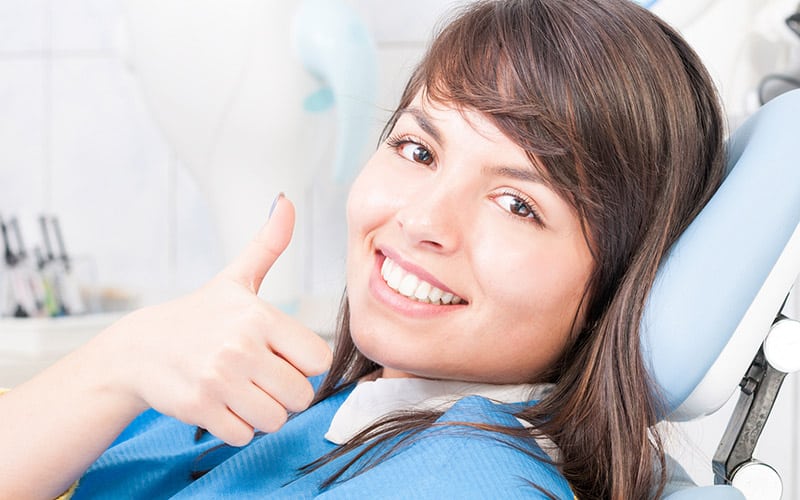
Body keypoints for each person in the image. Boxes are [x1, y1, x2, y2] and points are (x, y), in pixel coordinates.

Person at [0, 0, 726, 498]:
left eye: (517, 203)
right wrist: (121, 361)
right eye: (417, 148)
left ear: (621, 283)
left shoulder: (468, 482)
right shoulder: (326, 400)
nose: (421, 219)